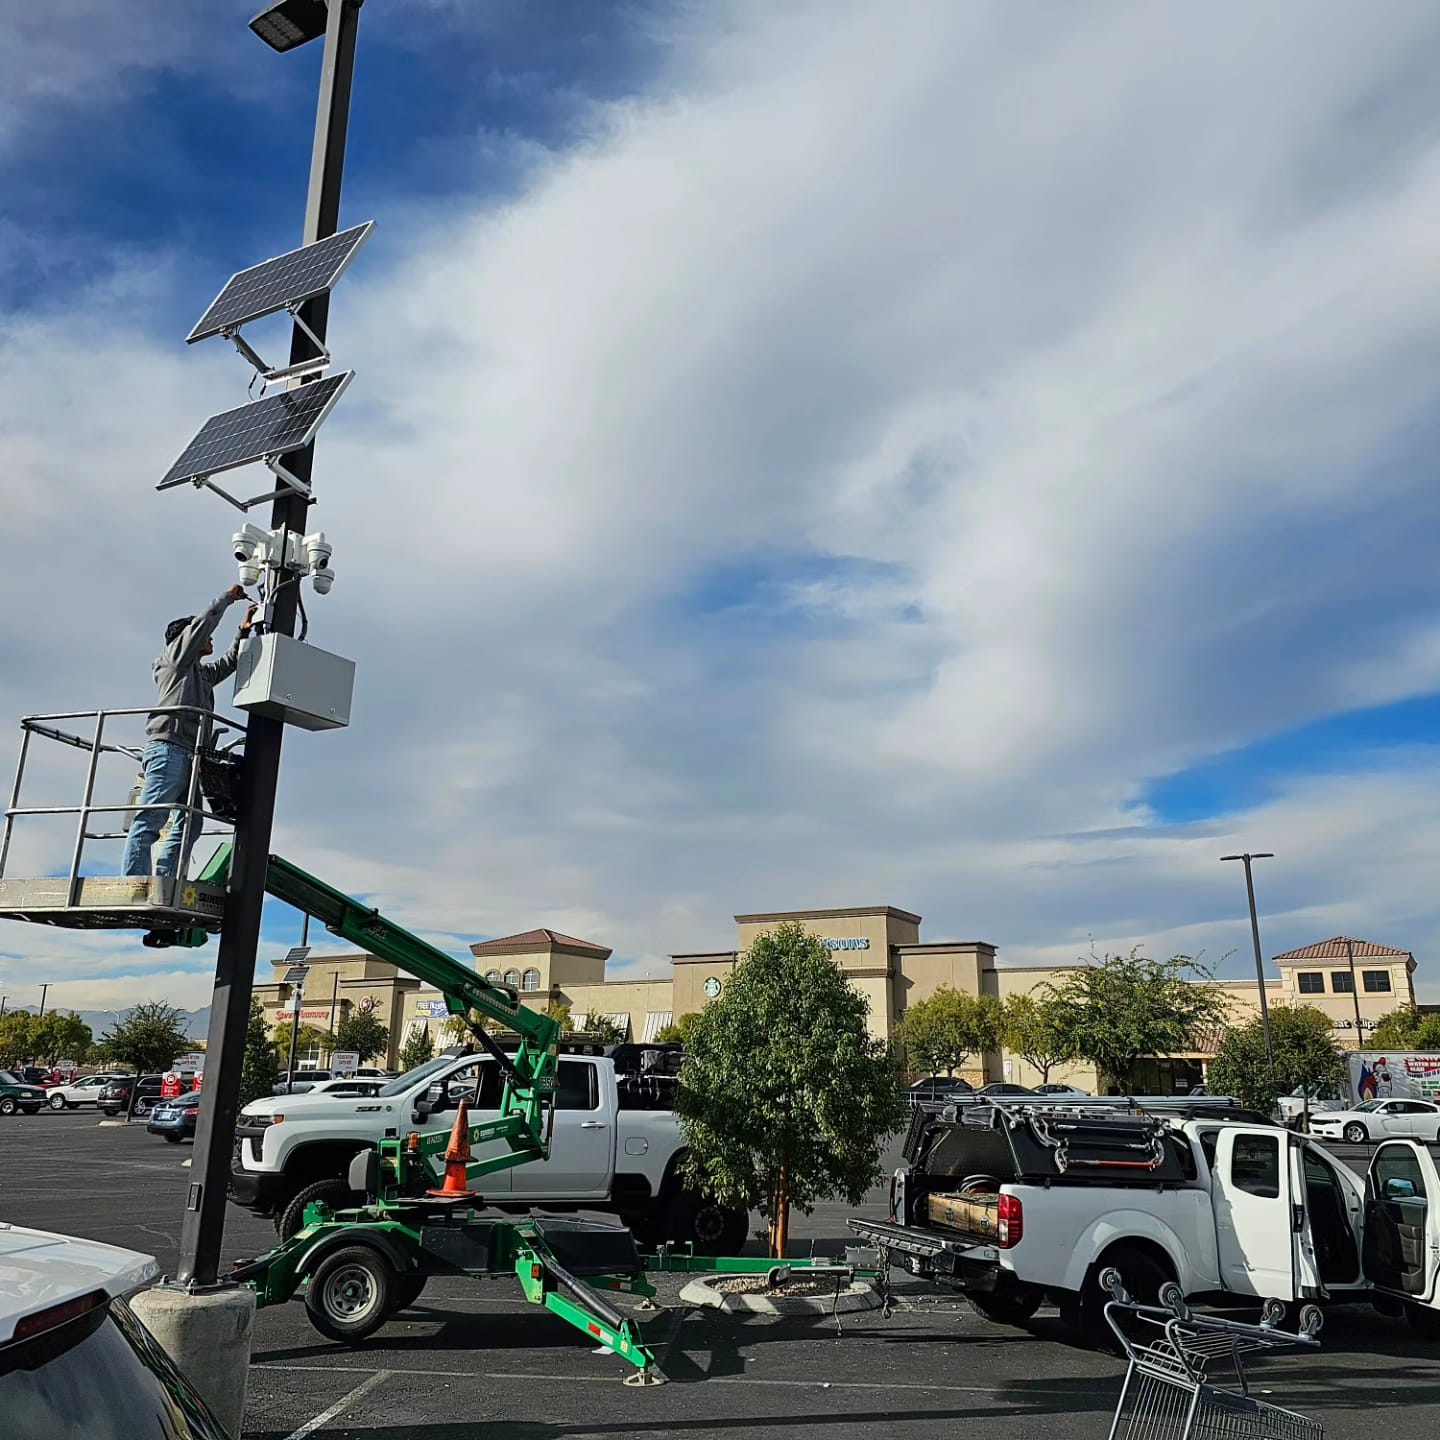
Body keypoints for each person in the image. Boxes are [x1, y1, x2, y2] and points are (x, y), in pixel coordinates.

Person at [122, 585, 256, 882]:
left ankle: (166, 881)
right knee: (151, 818)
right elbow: (203, 624)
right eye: (201, 636)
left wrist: (243, 631)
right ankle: (134, 883)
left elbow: (230, 662)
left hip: (189, 753)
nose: (209, 639)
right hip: (169, 748)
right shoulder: (174, 661)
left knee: (190, 822)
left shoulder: (199, 673)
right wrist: (227, 599)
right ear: (185, 640)